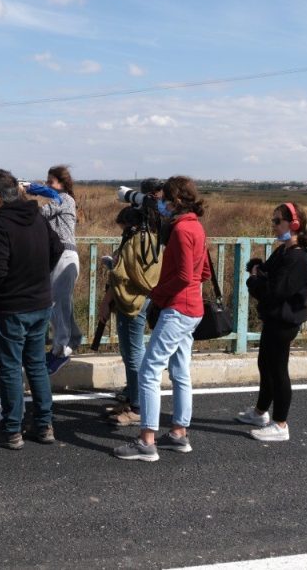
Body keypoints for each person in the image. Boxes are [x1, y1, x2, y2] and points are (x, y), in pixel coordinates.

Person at [113, 176, 211, 462]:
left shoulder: (181, 231)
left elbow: (182, 276)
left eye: (164, 199)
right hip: (193, 308)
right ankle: (179, 433)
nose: (162, 205)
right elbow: (201, 273)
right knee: (180, 371)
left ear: (176, 200)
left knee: (149, 370)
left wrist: (157, 295)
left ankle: (147, 441)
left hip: (177, 309)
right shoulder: (196, 227)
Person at [0, 168, 63, 449]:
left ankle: (12, 430)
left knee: (11, 369)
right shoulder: (37, 218)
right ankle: (44, 425)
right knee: (36, 365)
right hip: (40, 303)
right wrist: (40, 276)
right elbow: (58, 248)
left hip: (10, 307)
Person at [236, 202, 307, 442]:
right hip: (275, 318)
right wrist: (257, 269)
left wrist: (254, 281)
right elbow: (267, 272)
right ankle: (260, 413)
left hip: (284, 321)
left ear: (293, 225)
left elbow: (273, 291)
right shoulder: (283, 251)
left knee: (278, 370)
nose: (273, 226)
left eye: (277, 221)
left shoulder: (296, 259)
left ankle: (281, 424)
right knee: (265, 364)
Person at [97, 207, 162, 426]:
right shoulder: (153, 240)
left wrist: (112, 266)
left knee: (133, 354)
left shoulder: (135, 241)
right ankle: (133, 401)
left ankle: (138, 407)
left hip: (130, 302)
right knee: (133, 352)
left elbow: (122, 275)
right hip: (143, 300)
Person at [26, 165, 82, 375]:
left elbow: (43, 212)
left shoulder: (65, 199)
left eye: (51, 182)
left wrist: (33, 191)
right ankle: (69, 340)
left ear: (62, 183)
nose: (48, 185)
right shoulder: (61, 200)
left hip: (64, 257)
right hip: (59, 257)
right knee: (60, 304)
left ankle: (61, 351)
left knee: (57, 304)